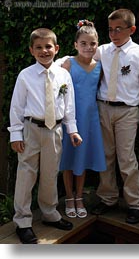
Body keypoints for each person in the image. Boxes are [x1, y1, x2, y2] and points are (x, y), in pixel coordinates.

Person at [8, 28, 82, 244]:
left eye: (48, 46)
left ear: (56, 48)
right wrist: (15, 134)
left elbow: (69, 106)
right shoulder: (25, 75)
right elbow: (17, 107)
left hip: (54, 131)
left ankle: (50, 213)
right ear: (32, 50)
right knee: (26, 174)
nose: (44, 51)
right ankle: (22, 220)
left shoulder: (63, 75)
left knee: (50, 174)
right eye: (38, 47)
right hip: (31, 129)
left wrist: (72, 130)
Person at [91, 9, 139, 224]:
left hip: (127, 112)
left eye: (118, 29)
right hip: (103, 108)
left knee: (126, 159)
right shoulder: (102, 50)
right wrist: (85, 29)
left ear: (132, 29)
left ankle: (135, 204)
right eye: (110, 29)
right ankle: (108, 198)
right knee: (105, 156)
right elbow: (81, 55)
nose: (113, 34)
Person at [56, 20, 106, 219]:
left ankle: (79, 196)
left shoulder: (100, 66)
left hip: (90, 120)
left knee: (83, 157)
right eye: (83, 43)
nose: (88, 47)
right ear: (76, 45)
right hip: (71, 118)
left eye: (92, 43)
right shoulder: (68, 63)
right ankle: (68, 196)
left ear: (97, 44)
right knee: (68, 158)